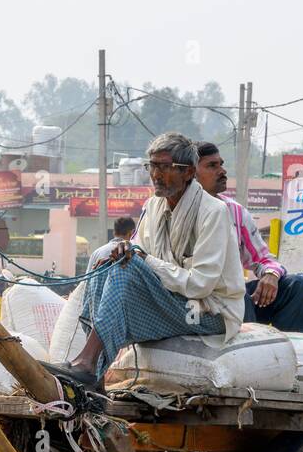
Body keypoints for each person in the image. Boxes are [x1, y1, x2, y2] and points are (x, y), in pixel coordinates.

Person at [57, 132, 245, 384]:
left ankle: (88, 363)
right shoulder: (154, 206)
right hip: (174, 298)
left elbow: (200, 284)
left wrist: (140, 258)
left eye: (165, 167)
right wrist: (123, 251)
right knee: (105, 256)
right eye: (153, 166)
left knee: (129, 264)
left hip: (210, 310)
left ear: (188, 172)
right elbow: (138, 249)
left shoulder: (214, 212)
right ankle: (94, 371)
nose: (156, 175)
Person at [194, 142, 303, 332]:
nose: (222, 171)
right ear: (191, 173)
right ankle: (252, 356)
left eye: (221, 164)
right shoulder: (177, 211)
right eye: (212, 166)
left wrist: (270, 274)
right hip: (198, 300)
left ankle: (292, 354)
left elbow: (263, 258)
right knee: (237, 296)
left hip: (235, 295)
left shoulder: (235, 211)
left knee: (296, 286)